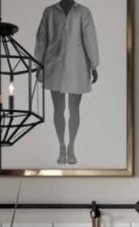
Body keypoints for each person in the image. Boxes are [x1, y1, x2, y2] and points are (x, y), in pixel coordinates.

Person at [35, 0, 100, 166]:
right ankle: (61, 146)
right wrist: (38, 65)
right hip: (54, 64)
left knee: (74, 108)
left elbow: (90, 38)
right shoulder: (49, 12)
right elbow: (42, 39)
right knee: (58, 109)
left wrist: (93, 65)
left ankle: (71, 145)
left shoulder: (83, 11)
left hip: (77, 65)